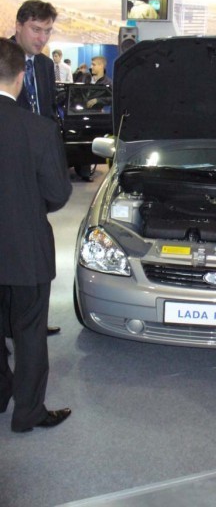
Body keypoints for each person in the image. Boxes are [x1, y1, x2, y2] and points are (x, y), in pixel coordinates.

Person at [0, 38, 72, 432]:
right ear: (21, 77)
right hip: (26, 247)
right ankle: (27, 413)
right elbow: (58, 194)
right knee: (29, 332)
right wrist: (27, 206)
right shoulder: (39, 128)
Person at [12, 0, 62, 335]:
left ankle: (30, 322)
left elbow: (46, 112)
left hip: (38, 170)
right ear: (18, 26)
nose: (42, 38)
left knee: (35, 244)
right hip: (9, 167)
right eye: (35, 29)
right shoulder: (4, 59)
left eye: (47, 31)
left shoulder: (44, 66)